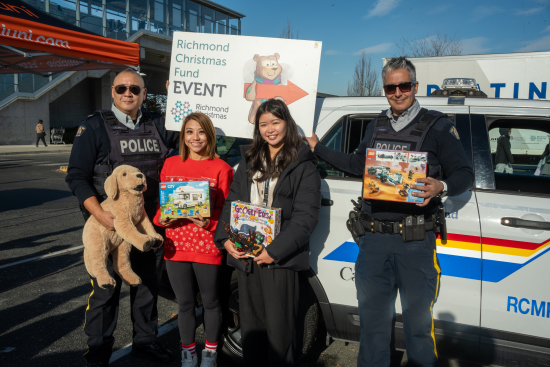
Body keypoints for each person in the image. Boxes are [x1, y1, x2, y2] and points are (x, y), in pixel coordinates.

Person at [304, 57, 474, 367]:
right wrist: (318, 149)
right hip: (373, 240)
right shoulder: (376, 124)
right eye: (391, 87)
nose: (398, 92)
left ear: (415, 86)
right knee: (372, 327)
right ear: (385, 90)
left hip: (415, 242)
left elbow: (465, 174)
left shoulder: (439, 125)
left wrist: (441, 186)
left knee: (419, 327)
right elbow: (358, 166)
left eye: (404, 85)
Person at [66, 68, 178, 366]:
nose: (128, 94)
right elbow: (77, 177)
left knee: (146, 286)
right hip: (108, 226)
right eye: (121, 89)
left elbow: (195, 136)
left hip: (148, 225)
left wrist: (179, 95)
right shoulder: (95, 127)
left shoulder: (159, 124)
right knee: (106, 290)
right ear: (112, 91)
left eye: (135, 89)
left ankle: (145, 342)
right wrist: (100, 214)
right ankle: (98, 353)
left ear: (144, 93)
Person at [214, 99, 321, 367]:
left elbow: (305, 219)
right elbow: (232, 202)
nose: (270, 129)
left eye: (276, 122)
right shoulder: (249, 160)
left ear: (287, 122)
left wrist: (273, 252)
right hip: (245, 256)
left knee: (280, 331)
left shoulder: (303, 166)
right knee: (252, 329)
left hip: (278, 261)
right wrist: (225, 240)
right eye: (264, 124)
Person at [153, 112, 234, 367]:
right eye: (189, 131)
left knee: (211, 302)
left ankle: (210, 352)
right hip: (175, 245)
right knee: (185, 304)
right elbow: (163, 202)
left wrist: (209, 223)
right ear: (183, 136)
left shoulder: (222, 168)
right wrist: (160, 220)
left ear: (209, 135)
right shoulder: (171, 164)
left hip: (207, 245)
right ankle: (188, 352)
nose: (195, 137)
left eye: (201, 131)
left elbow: (228, 210)